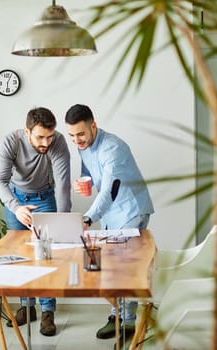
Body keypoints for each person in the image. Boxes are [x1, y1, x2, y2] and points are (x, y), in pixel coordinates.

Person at [64, 104, 154, 348]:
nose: (77, 140)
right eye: (71, 136)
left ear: (93, 125)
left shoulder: (113, 148)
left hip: (131, 209)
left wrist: (87, 218)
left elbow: (110, 190)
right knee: (106, 267)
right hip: (110, 214)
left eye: (80, 134)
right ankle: (117, 315)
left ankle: (128, 322)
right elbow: (92, 177)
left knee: (125, 268)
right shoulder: (83, 147)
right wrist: (84, 184)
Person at [0, 106, 71, 336]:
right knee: (21, 255)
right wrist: (16, 208)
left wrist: (63, 220)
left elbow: (63, 183)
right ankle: (27, 306)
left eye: (49, 136)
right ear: (27, 132)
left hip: (45, 197)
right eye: (40, 137)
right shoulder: (11, 142)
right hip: (16, 199)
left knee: (45, 255)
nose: (46, 143)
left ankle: (47, 310)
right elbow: (0, 181)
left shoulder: (57, 142)